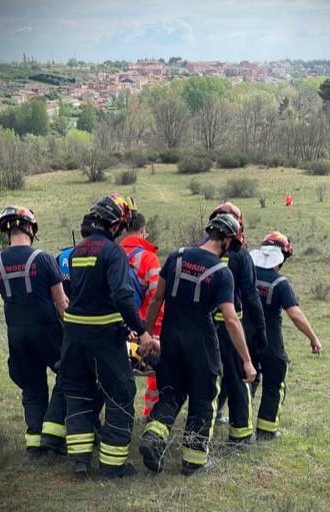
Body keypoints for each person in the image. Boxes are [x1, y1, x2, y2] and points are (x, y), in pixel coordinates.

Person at [139, 214, 257, 476]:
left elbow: (157, 299)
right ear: (226, 239)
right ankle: (194, 461)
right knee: (204, 398)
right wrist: (246, 361)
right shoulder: (222, 273)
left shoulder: (176, 257)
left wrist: (146, 334)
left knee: (171, 393)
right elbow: (230, 318)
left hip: (170, 338)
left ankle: (153, 438)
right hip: (201, 343)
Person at [57, 194, 157, 480]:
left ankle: (80, 462)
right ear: (115, 225)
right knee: (121, 394)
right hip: (104, 336)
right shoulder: (113, 253)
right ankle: (113, 466)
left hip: (73, 336)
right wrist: (141, 330)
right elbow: (123, 296)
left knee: (78, 393)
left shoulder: (77, 251)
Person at [0, 206, 69, 459]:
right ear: (31, 228)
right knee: (70, 373)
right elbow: (61, 303)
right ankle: (52, 434)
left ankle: (34, 447)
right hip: (47, 333)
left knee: (32, 387)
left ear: (8, 232)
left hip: (17, 335)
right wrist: (72, 331)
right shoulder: (44, 258)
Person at [248, 231, 322, 440]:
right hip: (270, 342)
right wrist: (313, 338)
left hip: (245, 339)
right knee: (274, 382)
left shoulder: (248, 275)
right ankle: (267, 430)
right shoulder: (280, 283)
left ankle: (240, 429)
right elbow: (295, 315)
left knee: (246, 381)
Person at [208, 203, 267, 445]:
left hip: (204, 325)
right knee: (241, 376)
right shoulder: (241, 256)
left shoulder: (199, 252)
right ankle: (240, 434)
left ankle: (205, 428)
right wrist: (260, 330)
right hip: (231, 325)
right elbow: (251, 297)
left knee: (209, 378)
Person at [119, 209, 164, 419]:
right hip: (146, 331)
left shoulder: (111, 253)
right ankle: (152, 415)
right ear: (143, 231)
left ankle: (118, 414)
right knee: (156, 378)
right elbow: (157, 299)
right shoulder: (149, 259)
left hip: (117, 330)